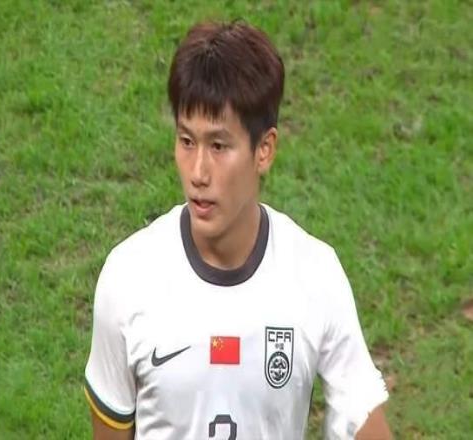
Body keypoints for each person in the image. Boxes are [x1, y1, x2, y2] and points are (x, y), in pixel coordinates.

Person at [84, 21, 392, 440]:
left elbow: (364, 418)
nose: (198, 172)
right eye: (187, 141)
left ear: (264, 150)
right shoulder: (129, 278)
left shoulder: (314, 275)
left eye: (218, 146)